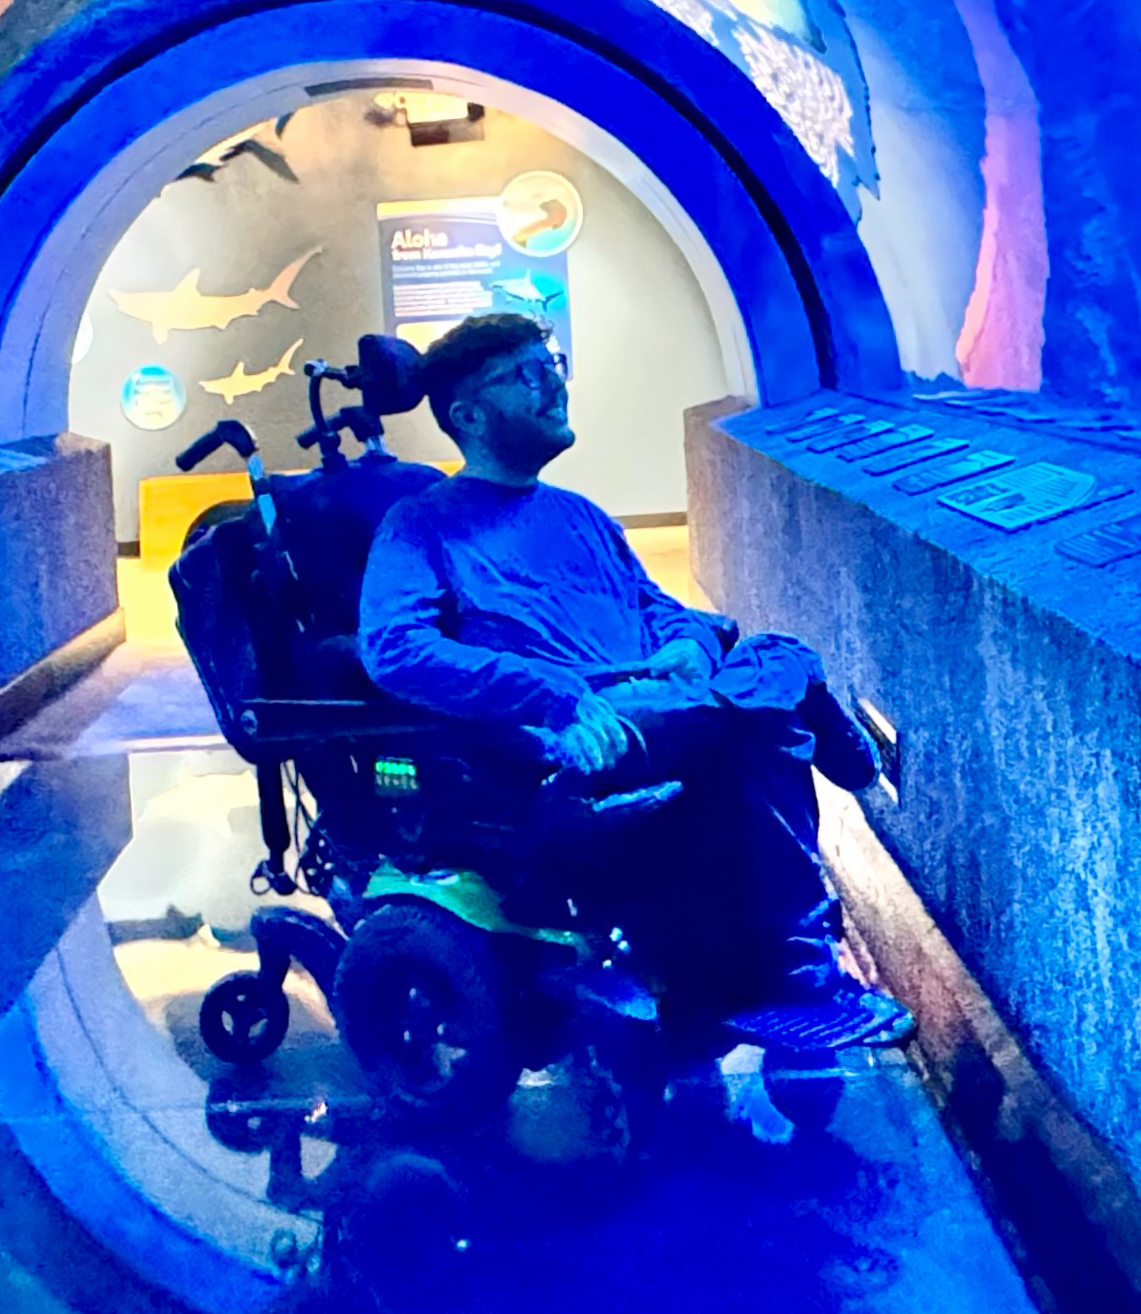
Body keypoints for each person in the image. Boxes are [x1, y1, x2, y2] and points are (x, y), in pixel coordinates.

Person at [355, 312, 909, 1042]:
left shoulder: (579, 515)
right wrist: (555, 696)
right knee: (762, 708)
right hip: (582, 731)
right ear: (468, 414)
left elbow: (660, 608)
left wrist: (688, 643)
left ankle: (797, 727)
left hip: (664, 700)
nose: (554, 381)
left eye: (550, 360)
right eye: (525, 373)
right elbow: (394, 648)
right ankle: (799, 975)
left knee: (773, 654)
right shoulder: (419, 524)